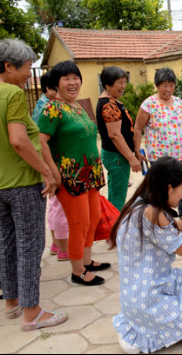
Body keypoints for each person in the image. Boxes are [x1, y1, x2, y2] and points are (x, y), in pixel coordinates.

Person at [110, 156, 182, 354]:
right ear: (169, 187)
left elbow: (174, 228)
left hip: (156, 282)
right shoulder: (152, 212)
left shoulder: (145, 203)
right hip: (147, 297)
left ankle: (163, 321)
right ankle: (141, 333)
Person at [0, 39, 67, 331]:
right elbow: (19, 140)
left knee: (6, 244)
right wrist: (46, 173)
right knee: (29, 247)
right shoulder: (12, 94)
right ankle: (32, 313)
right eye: (27, 67)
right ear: (7, 66)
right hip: (23, 185)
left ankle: (12, 303)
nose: (30, 73)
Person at [38, 60, 109, 287]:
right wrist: (53, 173)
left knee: (93, 219)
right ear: (56, 84)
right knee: (78, 223)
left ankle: (86, 261)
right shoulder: (52, 108)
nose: (72, 82)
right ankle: (77, 271)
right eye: (66, 78)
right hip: (71, 177)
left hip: (90, 174)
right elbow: (41, 142)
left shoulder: (76, 107)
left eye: (75, 77)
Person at [134, 68, 182, 216]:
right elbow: (137, 128)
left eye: (171, 85)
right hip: (161, 158)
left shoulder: (178, 102)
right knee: (162, 189)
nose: (168, 89)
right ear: (157, 85)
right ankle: (161, 218)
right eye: (164, 86)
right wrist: (137, 151)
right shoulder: (148, 104)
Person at [32, 72, 70, 261]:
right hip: (53, 163)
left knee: (54, 206)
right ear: (49, 89)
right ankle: (64, 249)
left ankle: (56, 244)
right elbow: (43, 141)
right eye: (57, 88)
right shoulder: (48, 108)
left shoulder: (41, 105)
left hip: (48, 162)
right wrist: (51, 171)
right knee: (60, 207)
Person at [96, 66, 141, 211]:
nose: (123, 86)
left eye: (124, 82)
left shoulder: (113, 102)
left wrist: (136, 151)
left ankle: (111, 226)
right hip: (116, 156)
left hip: (117, 156)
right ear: (108, 85)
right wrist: (131, 158)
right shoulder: (108, 105)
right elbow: (115, 135)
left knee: (115, 193)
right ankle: (114, 230)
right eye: (119, 83)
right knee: (118, 197)